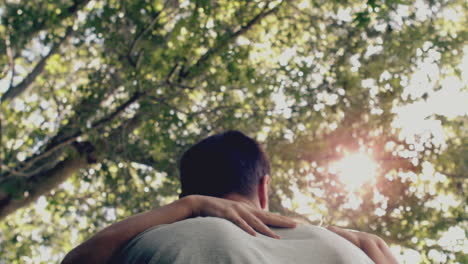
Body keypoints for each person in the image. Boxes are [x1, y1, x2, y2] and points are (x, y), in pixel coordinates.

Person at [62, 130, 399, 264]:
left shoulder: (151, 244)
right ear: (264, 188)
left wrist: (188, 207)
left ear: (185, 193)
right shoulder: (352, 250)